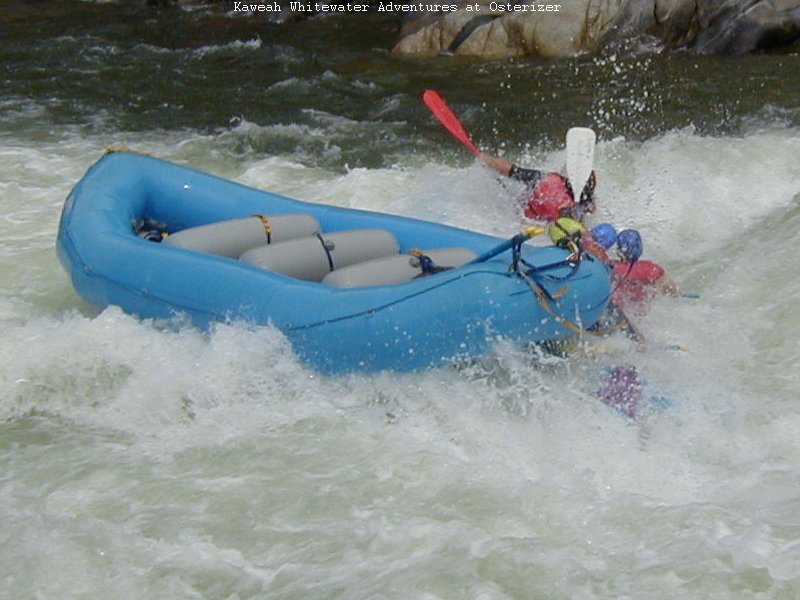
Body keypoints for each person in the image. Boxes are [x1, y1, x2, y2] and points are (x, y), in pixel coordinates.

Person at [478, 151, 597, 222]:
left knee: (516, 172)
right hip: (523, 221)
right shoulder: (558, 196)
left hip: (531, 220)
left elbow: (509, 169)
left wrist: (486, 159)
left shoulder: (547, 179)